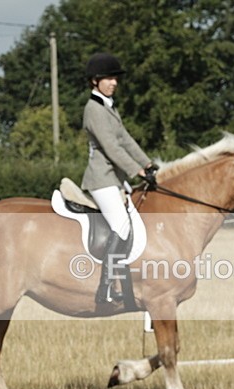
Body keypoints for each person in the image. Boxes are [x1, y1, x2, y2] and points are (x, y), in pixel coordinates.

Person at [81, 52, 156, 303]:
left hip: (114, 178)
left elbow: (126, 140)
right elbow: (112, 148)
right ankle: (105, 288)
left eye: (115, 78)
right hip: (101, 178)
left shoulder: (109, 107)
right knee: (121, 225)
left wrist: (148, 163)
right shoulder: (93, 109)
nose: (114, 83)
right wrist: (138, 171)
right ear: (95, 81)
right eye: (108, 78)